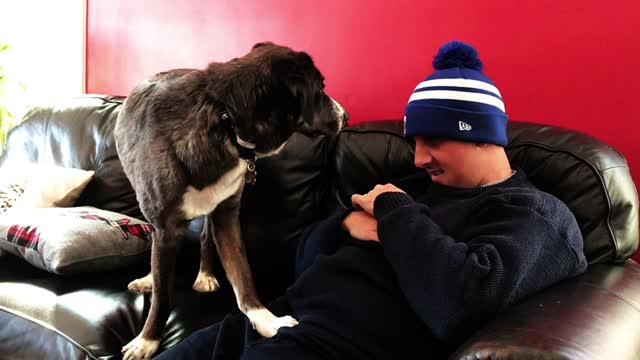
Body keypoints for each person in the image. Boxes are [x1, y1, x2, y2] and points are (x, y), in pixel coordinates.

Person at [154, 40, 588, 360]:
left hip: (338, 347)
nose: (419, 158)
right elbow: (303, 261)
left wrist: (395, 215)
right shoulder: (414, 188)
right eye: (413, 141)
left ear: (480, 136)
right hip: (274, 323)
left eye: (432, 140)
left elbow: (462, 302)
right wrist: (345, 226)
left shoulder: (534, 215)